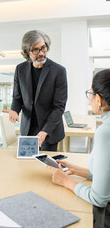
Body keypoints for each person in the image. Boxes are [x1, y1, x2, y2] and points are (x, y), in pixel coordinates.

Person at [47, 69, 110, 228]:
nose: (89, 99)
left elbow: (99, 198)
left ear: (99, 99)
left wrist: (66, 181)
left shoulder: (105, 132)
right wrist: (78, 171)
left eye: (90, 93)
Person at [2, 30, 67, 151]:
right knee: (27, 166)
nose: (41, 53)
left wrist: (44, 131)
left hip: (49, 132)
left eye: (43, 47)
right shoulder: (20, 69)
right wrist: (14, 110)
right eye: (36, 50)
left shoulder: (58, 71)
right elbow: (17, 98)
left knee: (46, 168)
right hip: (27, 130)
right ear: (27, 51)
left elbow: (59, 107)